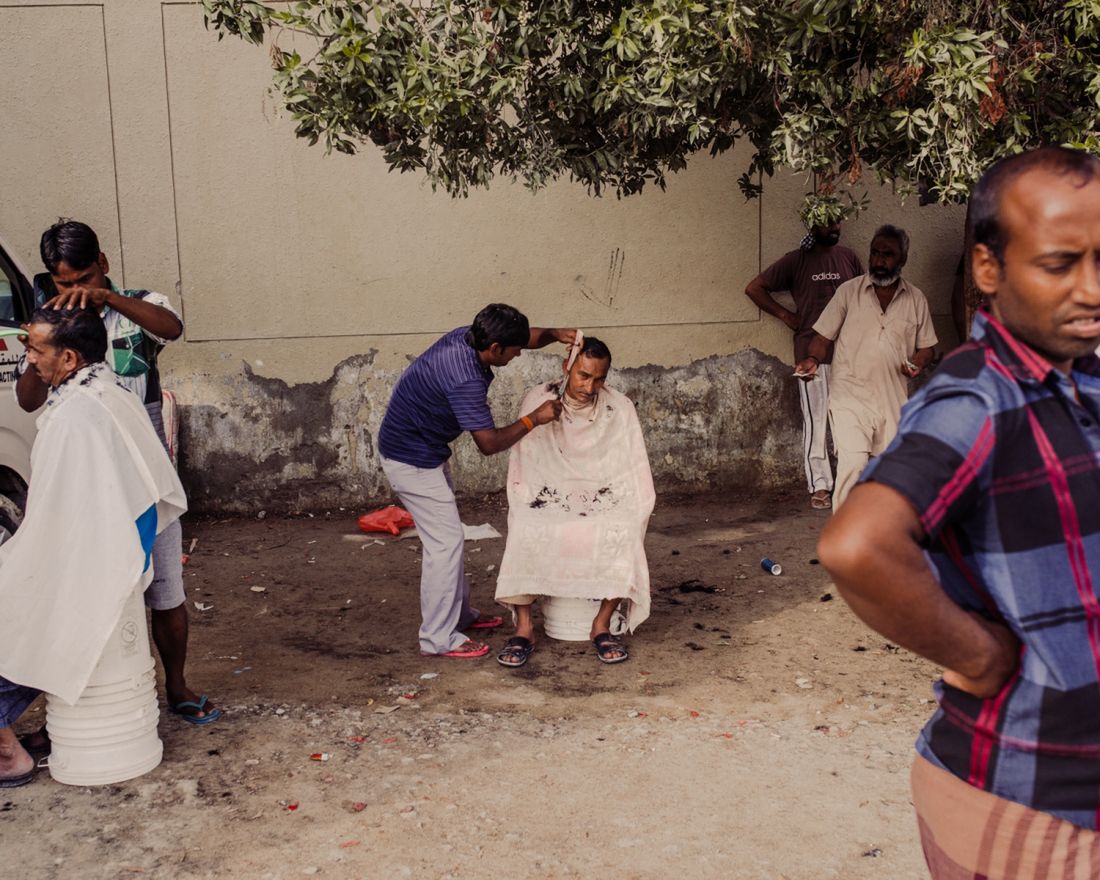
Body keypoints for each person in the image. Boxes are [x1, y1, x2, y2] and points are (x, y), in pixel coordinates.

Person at [818, 146, 1100, 878]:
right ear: (987, 269)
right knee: (855, 482)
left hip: (1074, 785)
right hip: (1031, 796)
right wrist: (975, 653)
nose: (1092, 288)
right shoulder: (980, 398)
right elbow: (857, 545)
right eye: (1060, 263)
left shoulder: (1080, 380)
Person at [14, 220, 218, 729]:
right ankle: (87, 698)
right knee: (87, 587)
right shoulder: (50, 324)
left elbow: (170, 327)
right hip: (89, 480)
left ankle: (177, 685)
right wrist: (38, 346)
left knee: (165, 588)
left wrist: (107, 298)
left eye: (83, 277)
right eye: (63, 284)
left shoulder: (136, 305)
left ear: (102, 264)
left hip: (145, 471)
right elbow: (28, 399)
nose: (74, 292)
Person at [0, 307, 186, 787]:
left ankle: (7, 755)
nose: (29, 359)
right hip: (120, 548)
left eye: (35, 350)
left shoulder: (76, 416)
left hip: (101, 558)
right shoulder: (108, 391)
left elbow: (56, 526)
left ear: (67, 357)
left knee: (14, 610)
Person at [377, 304, 575, 658]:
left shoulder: (468, 336)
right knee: (445, 544)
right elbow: (489, 444)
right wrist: (535, 419)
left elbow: (522, 338)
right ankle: (437, 638)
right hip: (411, 459)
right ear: (495, 348)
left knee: (448, 538)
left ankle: (460, 615)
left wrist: (553, 335)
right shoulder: (465, 377)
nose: (518, 355)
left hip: (424, 449)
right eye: (513, 351)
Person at [493, 337, 654, 667]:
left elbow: (632, 466)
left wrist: (619, 501)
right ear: (568, 366)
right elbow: (526, 467)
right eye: (583, 375)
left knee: (622, 526)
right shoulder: (539, 400)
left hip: (602, 492)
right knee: (525, 524)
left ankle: (601, 624)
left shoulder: (618, 408)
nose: (590, 386)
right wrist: (537, 420)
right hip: (548, 491)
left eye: (599, 378)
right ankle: (524, 629)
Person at [795, 225, 937, 508]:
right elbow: (823, 338)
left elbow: (927, 347)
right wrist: (812, 360)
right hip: (850, 396)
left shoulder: (916, 299)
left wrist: (918, 363)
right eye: (875, 253)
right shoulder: (849, 292)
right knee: (854, 463)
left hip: (892, 400)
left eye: (888, 255)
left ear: (902, 260)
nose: (879, 260)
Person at [744, 216, 863, 509]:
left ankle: (851, 483)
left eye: (838, 222)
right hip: (810, 353)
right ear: (812, 226)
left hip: (849, 353)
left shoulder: (848, 257)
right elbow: (754, 288)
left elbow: (864, 295)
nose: (835, 227)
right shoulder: (795, 261)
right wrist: (786, 316)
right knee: (817, 418)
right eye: (827, 223)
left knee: (850, 420)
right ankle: (820, 485)